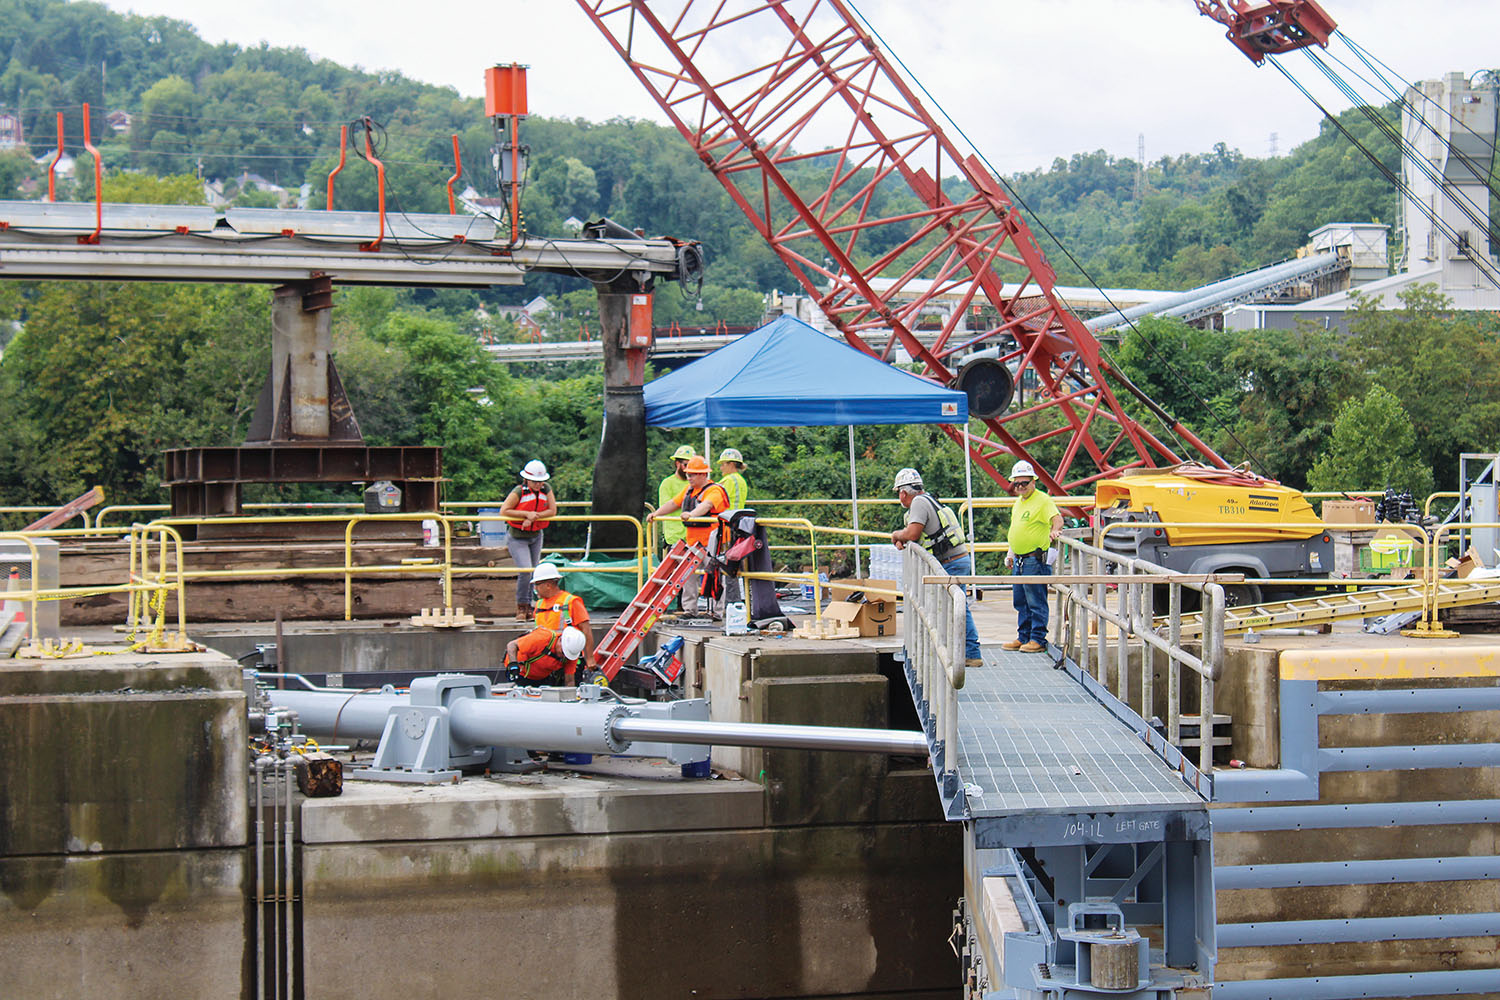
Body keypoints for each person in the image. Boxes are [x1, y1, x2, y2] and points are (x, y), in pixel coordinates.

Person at [889, 468, 982, 669]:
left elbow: (913, 533)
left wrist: (898, 534)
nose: (899, 497)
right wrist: (903, 540)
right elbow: (918, 536)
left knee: (957, 608)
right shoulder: (927, 500)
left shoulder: (919, 503)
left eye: (898, 492)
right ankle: (959, 651)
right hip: (953, 561)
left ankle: (971, 653)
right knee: (952, 607)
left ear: (903, 492)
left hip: (951, 564)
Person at [646, 454, 730, 614]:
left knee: (714, 577)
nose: (688, 477)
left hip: (713, 543)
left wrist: (692, 514)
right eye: (688, 474)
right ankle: (690, 610)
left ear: (703, 474)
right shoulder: (689, 490)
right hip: (693, 542)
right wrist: (656, 514)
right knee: (687, 576)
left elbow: (706, 506)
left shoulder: (714, 491)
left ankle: (717, 612)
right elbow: (673, 503)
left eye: (692, 474)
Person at [1003, 460, 1063, 653]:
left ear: (1033, 482)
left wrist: (1055, 531)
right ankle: (1024, 637)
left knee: (1036, 599)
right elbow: (1015, 530)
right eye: (1017, 484)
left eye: (1024, 483)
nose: (1020, 487)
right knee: (1020, 600)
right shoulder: (1019, 503)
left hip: (1034, 559)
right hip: (1020, 559)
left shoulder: (1043, 500)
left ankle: (1037, 638)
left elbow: (1057, 519)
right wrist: (1010, 553)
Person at [501, 459, 558, 620]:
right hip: (517, 537)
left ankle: (532, 606)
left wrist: (534, 517)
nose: (538, 485)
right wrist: (525, 514)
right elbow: (504, 510)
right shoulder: (519, 491)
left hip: (536, 535)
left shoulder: (546, 490)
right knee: (526, 571)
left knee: (535, 572)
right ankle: (522, 606)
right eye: (535, 482)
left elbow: (552, 510)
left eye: (541, 482)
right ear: (527, 479)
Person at [530, 562, 593, 663]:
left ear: (548, 585)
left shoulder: (571, 602)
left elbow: (586, 631)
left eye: (537, 584)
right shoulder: (539, 604)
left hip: (569, 660)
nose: (535, 589)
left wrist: (590, 658)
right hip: (546, 661)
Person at [504, 625, 587, 687]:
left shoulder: (571, 654)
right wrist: (513, 664)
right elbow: (512, 645)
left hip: (542, 677)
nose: (564, 657)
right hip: (520, 673)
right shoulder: (541, 638)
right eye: (563, 653)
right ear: (560, 640)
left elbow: (569, 681)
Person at [656, 445, 697, 552]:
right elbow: (666, 506)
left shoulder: (695, 482)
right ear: (677, 464)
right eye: (686, 465)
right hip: (675, 538)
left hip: (694, 537)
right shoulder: (667, 483)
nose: (689, 469)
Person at [717, 448, 749, 512]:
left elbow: (715, 500)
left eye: (723, 464)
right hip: (738, 518)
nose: (721, 468)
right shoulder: (742, 480)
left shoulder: (729, 480)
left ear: (731, 464)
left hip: (726, 517)